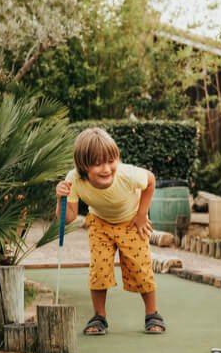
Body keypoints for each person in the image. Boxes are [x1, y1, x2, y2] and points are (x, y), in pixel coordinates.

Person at [55, 127, 165, 335]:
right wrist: (60, 197)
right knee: (99, 269)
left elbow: (150, 181)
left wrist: (142, 214)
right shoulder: (74, 180)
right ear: (83, 166)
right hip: (99, 223)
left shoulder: (127, 174)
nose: (106, 169)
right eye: (98, 164)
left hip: (131, 221)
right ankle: (99, 317)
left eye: (110, 161)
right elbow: (68, 218)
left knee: (140, 268)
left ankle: (152, 314)